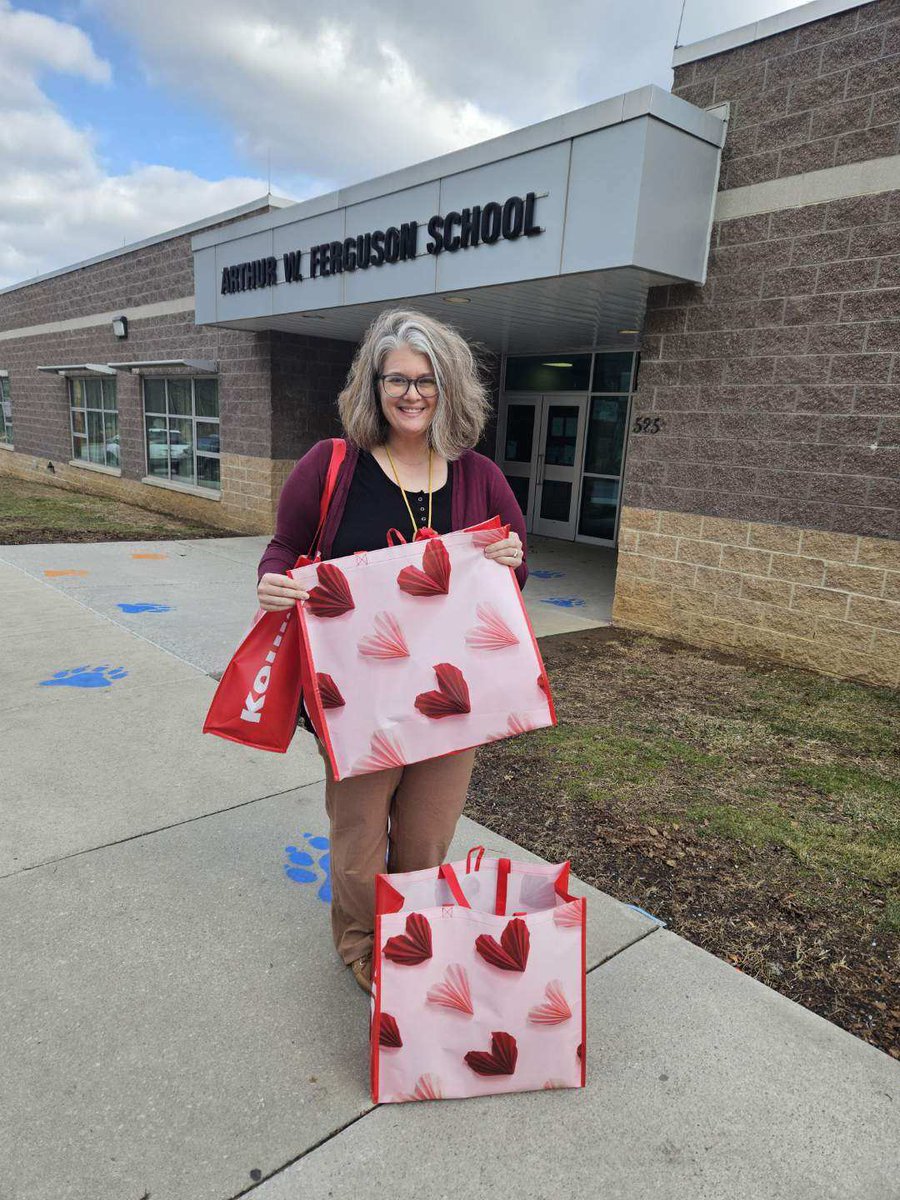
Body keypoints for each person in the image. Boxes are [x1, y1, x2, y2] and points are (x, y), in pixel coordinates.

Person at [255, 307, 527, 995]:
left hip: (449, 694)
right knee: (358, 835)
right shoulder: (332, 465)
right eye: (396, 379)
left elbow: (512, 573)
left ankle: (410, 938)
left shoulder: (479, 477)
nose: (412, 393)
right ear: (373, 387)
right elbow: (285, 546)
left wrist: (509, 559)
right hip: (356, 695)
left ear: (450, 387)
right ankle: (360, 944)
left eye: (426, 379)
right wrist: (273, 581)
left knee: (427, 835)